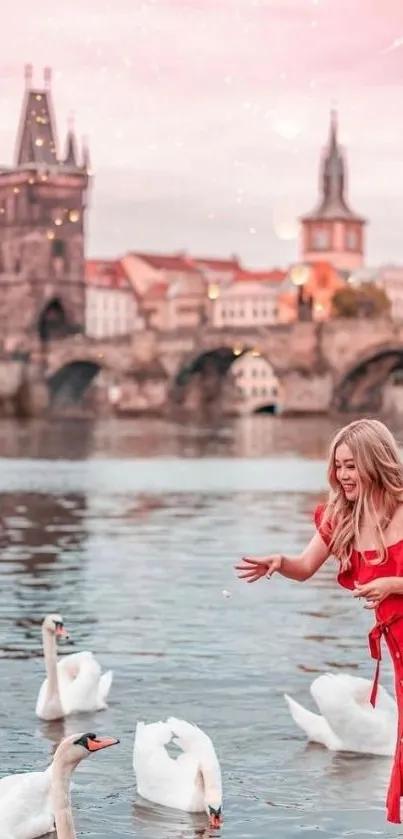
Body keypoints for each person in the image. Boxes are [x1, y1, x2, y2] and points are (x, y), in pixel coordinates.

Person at [235, 418, 403, 825]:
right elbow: (305, 565)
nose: (343, 475)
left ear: (376, 462)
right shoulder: (340, 517)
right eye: (338, 466)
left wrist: (394, 584)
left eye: (351, 465)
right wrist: (280, 562)